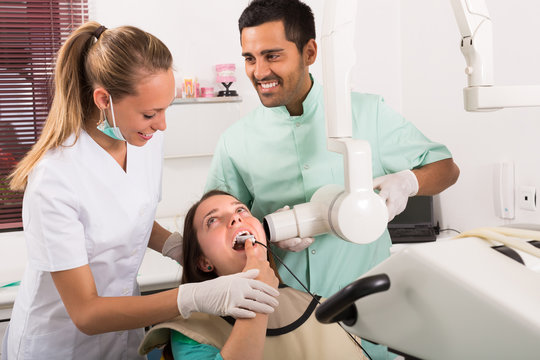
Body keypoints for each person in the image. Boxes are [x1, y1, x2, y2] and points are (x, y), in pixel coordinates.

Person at [3, 21, 278, 360]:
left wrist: (177, 246)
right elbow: (86, 314)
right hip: (62, 343)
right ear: (104, 99)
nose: (162, 125)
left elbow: (132, 211)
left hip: (124, 334)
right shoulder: (55, 180)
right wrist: (191, 297)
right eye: (151, 113)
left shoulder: (143, 137)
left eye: (166, 109)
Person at [204, 0, 460, 358]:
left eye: (272, 56)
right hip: (285, 320)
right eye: (250, 58)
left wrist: (407, 182)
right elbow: (217, 233)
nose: (259, 71)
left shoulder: (367, 113)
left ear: (310, 51)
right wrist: (266, 239)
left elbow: (446, 168)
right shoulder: (236, 141)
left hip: (369, 313)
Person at [138, 190, 368, 360]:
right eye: (212, 220)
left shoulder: (326, 312)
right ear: (204, 262)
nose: (236, 218)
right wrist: (258, 295)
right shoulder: (191, 333)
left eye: (241, 210)